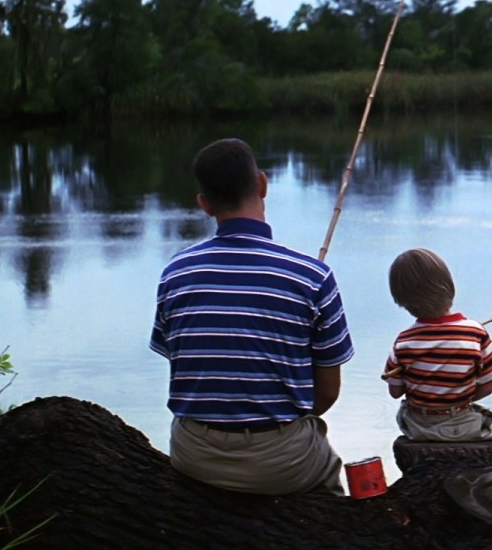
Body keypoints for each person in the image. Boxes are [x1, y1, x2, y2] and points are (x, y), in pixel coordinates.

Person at [150, 137, 354, 495]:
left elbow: (185, 364)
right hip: (281, 461)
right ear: (262, 184)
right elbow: (327, 394)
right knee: (330, 474)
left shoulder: (175, 274)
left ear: (204, 205)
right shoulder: (312, 277)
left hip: (194, 455)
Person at [383, 248, 492, 442]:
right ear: (449, 287)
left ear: (401, 300)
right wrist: (459, 400)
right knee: (490, 422)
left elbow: (395, 392)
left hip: (417, 427)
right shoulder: (475, 333)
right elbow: (487, 387)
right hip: (462, 423)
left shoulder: (403, 341)